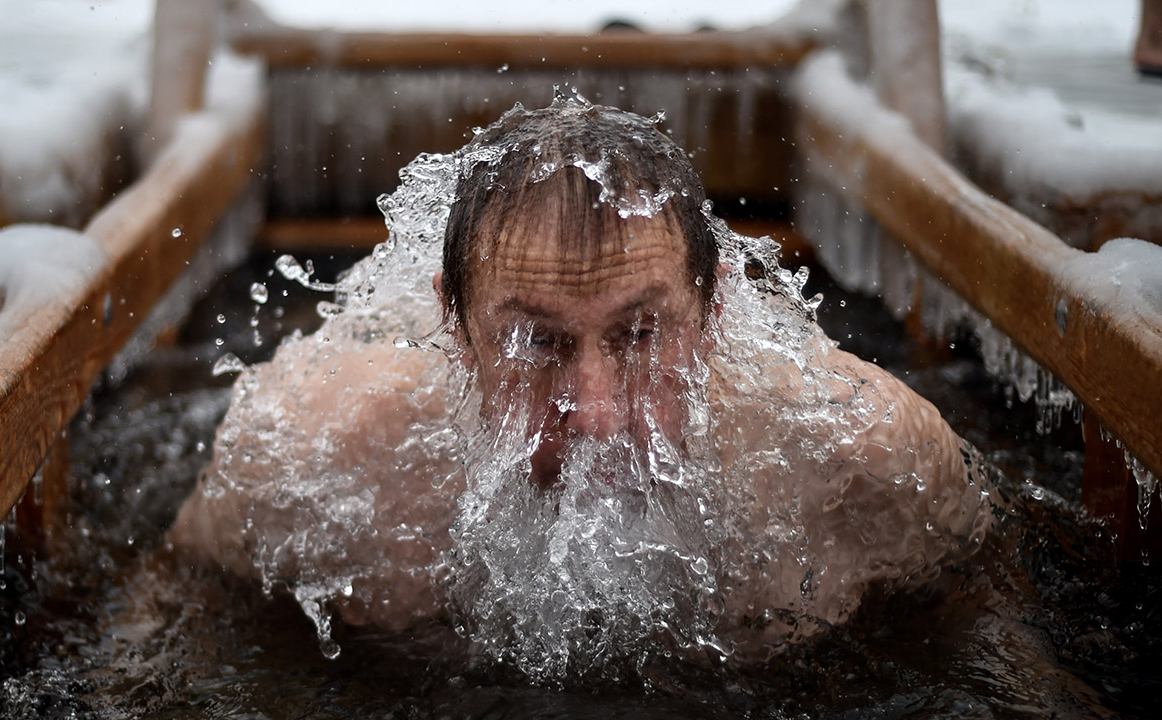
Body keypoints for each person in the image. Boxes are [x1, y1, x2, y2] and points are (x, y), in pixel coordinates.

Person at [170, 99, 991, 673]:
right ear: (454, 329)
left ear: (714, 314)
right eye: (536, 340)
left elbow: (989, 628)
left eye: (640, 333)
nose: (596, 413)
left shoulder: (864, 463)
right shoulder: (314, 467)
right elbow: (173, 617)